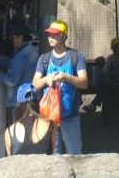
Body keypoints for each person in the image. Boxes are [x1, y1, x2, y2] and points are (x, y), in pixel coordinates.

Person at [32, 19, 87, 154]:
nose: (50, 37)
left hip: (71, 115)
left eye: (54, 34)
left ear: (63, 35)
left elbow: (84, 82)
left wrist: (66, 77)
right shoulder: (43, 59)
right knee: (53, 156)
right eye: (49, 34)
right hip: (49, 118)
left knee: (75, 155)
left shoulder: (76, 56)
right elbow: (34, 84)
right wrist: (46, 79)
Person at [0, 24, 38, 122]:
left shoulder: (22, 55)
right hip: (30, 97)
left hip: (18, 100)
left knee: (17, 130)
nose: (13, 40)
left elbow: (12, 80)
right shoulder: (31, 50)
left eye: (14, 38)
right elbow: (14, 63)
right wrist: (0, 57)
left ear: (20, 37)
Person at [83, 36, 119, 121]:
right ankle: (104, 118)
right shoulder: (111, 57)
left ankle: (94, 105)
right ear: (114, 48)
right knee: (107, 90)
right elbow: (104, 71)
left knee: (106, 87)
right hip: (112, 82)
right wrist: (109, 62)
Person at [5, 83, 53, 156]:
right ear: (37, 103)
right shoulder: (50, 125)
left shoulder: (10, 132)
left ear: (18, 105)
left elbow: (10, 161)